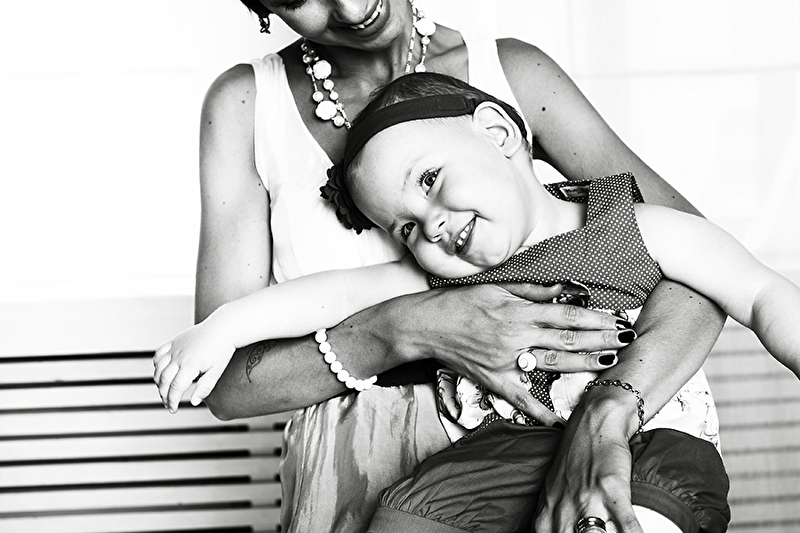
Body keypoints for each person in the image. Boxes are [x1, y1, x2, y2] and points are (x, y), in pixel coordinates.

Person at [159, 1, 730, 531]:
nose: (351, 9)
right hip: (354, 470)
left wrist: (608, 411)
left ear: (500, 132)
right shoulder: (246, 106)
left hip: (565, 440)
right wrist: (408, 328)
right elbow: (225, 386)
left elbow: (703, 275)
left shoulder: (514, 72)